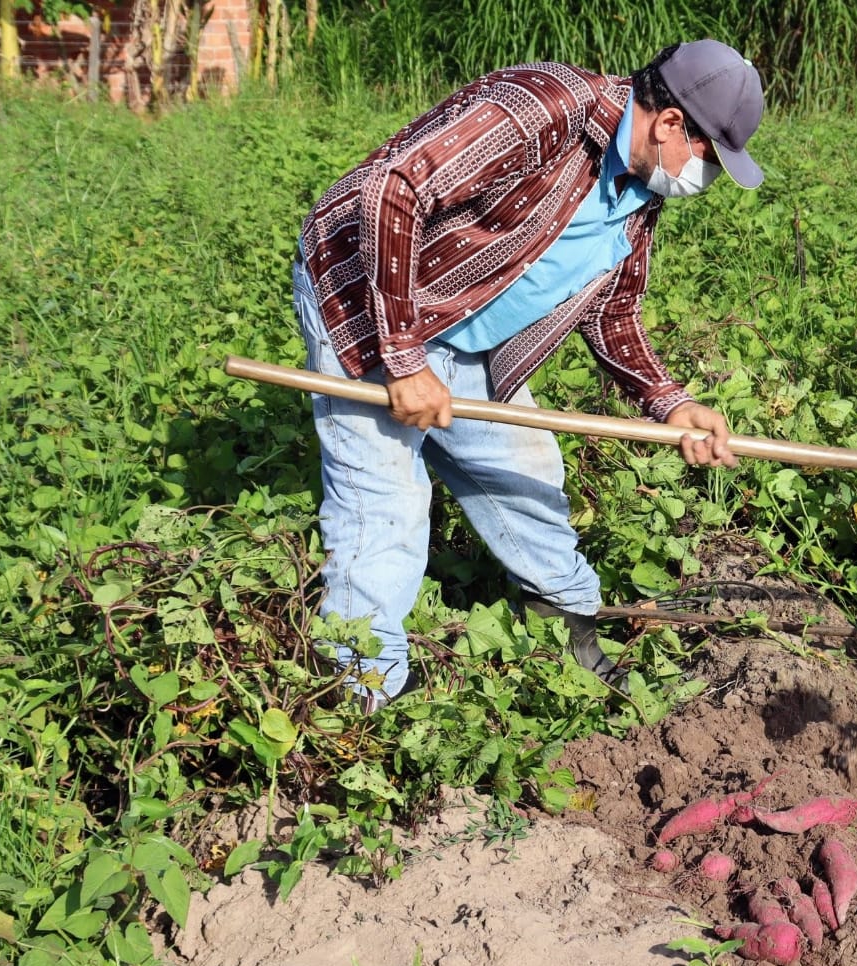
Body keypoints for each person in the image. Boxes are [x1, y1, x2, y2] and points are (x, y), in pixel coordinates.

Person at [291, 39, 765, 706]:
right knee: (388, 507)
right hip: (368, 304)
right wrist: (402, 357)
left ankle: (570, 638)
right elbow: (392, 191)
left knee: (527, 469)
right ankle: (361, 698)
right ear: (670, 125)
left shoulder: (639, 190)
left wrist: (670, 403)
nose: (704, 181)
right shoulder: (547, 108)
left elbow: (614, 310)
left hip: (462, 327)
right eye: (710, 162)